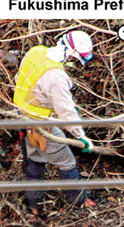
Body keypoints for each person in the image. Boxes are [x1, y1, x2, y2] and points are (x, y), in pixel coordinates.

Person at [13, 30, 96, 213]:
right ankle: (79, 202)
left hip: (21, 116)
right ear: (71, 55)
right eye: (76, 60)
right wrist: (81, 137)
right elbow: (66, 112)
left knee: (34, 158)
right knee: (66, 162)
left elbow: (20, 79)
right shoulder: (57, 77)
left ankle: (34, 205)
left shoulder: (37, 51)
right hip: (41, 125)